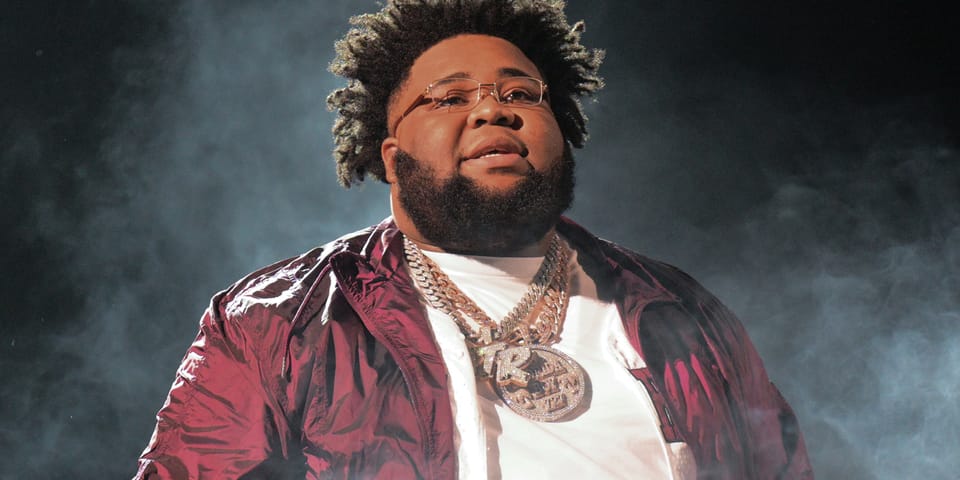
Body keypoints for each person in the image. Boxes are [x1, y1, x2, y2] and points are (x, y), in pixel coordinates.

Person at [135, 1, 813, 478]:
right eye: (450, 97)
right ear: (392, 156)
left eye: (521, 94)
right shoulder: (279, 321)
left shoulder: (681, 311)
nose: (493, 109)